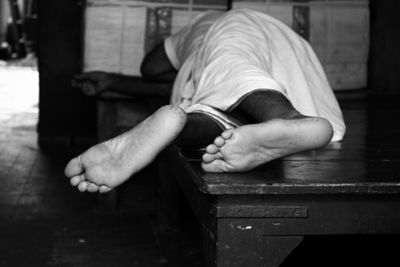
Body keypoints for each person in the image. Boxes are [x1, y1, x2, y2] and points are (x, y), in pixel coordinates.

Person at [65, 9, 346, 193]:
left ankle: (288, 119)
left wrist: (120, 78)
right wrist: (113, 83)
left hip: (234, 32)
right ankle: (183, 125)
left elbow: (150, 68)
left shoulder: (205, 27)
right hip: (293, 60)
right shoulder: (213, 75)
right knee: (226, 122)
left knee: (226, 67)